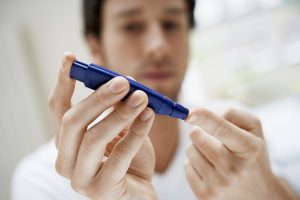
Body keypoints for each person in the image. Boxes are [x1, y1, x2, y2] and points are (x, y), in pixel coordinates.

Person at [11, 0, 300, 199]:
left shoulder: (237, 137)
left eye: (172, 24)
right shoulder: (40, 180)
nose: (158, 46)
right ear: (95, 46)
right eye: (132, 26)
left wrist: (269, 194)